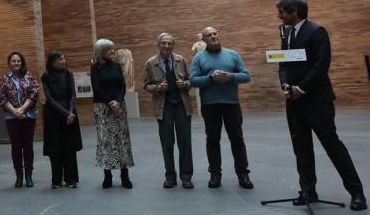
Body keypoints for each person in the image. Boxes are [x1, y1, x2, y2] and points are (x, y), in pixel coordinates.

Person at [277, 0, 367, 210]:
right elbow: (283, 62)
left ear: (295, 11)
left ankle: (357, 193)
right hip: (294, 101)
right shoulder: (286, 32)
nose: (279, 15)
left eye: (282, 11)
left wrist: (301, 88)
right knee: (301, 147)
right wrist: (285, 84)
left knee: (332, 146)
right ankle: (308, 190)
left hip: (317, 100)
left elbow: (321, 64)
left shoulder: (317, 32)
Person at [189, 27, 253, 190]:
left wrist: (230, 76)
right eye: (209, 35)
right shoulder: (199, 58)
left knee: (237, 139)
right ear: (203, 39)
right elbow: (193, 80)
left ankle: (243, 174)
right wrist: (211, 77)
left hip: (231, 104)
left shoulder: (232, 54)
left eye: (215, 34)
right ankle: (215, 174)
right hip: (210, 105)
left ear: (219, 35)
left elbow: (246, 76)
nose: (213, 36)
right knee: (212, 140)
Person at [143, 33, 194, 189]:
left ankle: (186, 177)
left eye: (169, 44)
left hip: (181, 106)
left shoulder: (181, 60)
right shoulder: (151, 63)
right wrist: (157, 88)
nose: (166, 46)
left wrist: (184, 84)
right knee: (167, 143)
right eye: (164, 43)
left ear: (173, 45)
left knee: (184, 142)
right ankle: (170, 176)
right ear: (158, 45)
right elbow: (146, 85)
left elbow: (191, 80)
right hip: (163, 108)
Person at [90, 39, 134, 189]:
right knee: (106, 141)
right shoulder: (95, 68)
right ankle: (107, 175)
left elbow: (122, 85)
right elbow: (96, 87)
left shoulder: (116, 66)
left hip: (119, 107)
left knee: (122, 140)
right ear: (101, 51)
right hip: (103, 107)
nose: (113, 52)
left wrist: (118, 100)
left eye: (113, 49)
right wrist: (110, 101)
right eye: (110, 49)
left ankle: (124, 174)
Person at [0, 51, 40, 188]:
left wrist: (22, 110)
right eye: (13, 61)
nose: (16, 63)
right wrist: (14, 111)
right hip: (11, 117)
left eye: (18, 61)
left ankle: (29, 175)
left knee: (28, 146)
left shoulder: (30, 76)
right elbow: (2, 97)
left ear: (22, 62)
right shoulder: (4, 78)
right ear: (9, 63)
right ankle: (19, 176)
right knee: (16, 147)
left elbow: (34, 94)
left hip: (28, 116)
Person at [40, 50, 82, 188]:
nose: (64, 61)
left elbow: (72, 95)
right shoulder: (45, 76)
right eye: (61, 59)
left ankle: (71, 179)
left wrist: (70, 112)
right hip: (53, 115)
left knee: (69, 148)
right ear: (53, 62)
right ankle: (56, 180)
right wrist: (66, 113)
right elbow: (49, 98)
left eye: (64, 58)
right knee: (55, 148)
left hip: (70, 115)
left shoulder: (69, 73)